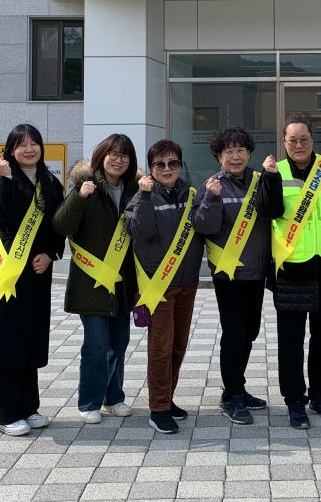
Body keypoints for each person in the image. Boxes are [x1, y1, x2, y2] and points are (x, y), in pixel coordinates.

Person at [256, 113, 321, 429]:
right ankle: (294, 401)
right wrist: (270, 178)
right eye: (292, 140)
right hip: (291, 268)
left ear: (313, 139)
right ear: (284, 141)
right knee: (290, 341)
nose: (299, 145)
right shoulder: (276, 171)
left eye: (304, 139)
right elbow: (269, 211)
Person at [53, 134, 140, 425]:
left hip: (122, 282)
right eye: (113, 154)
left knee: (120, 341)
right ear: (102, 156)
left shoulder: (134, 191)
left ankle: (113, 397)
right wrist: (79, 197)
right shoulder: (85, 187)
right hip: (91, 282)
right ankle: (89, 400)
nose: (119, 160)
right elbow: (61, 225)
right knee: (96, 345)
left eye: (125, 155)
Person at [0, 124, 65, 436]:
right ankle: (6, 413)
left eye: (34, 143)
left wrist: (50, 254)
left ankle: (29, 407)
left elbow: (57, 224)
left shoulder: (50, 182)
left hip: (38, 270)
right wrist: (6, 179)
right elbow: (6, 216)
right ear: (11, 151)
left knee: (30, 335)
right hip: (10, 271)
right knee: (7, 337)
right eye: (21, 145)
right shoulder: (2, 181)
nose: (29, 149)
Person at [191, 126, 270, 425]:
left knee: (249, 332)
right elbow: (204, 227)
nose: (235, 156)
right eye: (228, 151)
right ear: (218, 155)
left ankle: (238, 385)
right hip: (228, 275)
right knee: (234, 335)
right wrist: (211, 199)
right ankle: (232, 395)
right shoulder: (212, 185)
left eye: (240, 150)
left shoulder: (261, 182)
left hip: (257, 273)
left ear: (249, 153)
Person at [125, 140, 204, 434]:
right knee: (160, 347)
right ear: (151, 168)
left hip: (187, 282)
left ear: (180, 165)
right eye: (160, 164)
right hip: (158, 286)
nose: (167, 169)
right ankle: (158, 409)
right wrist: (145, 197)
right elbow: (141, 232)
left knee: (178, 345)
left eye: (173, 163)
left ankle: (167, 399)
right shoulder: (141, 196)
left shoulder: (192, 194)